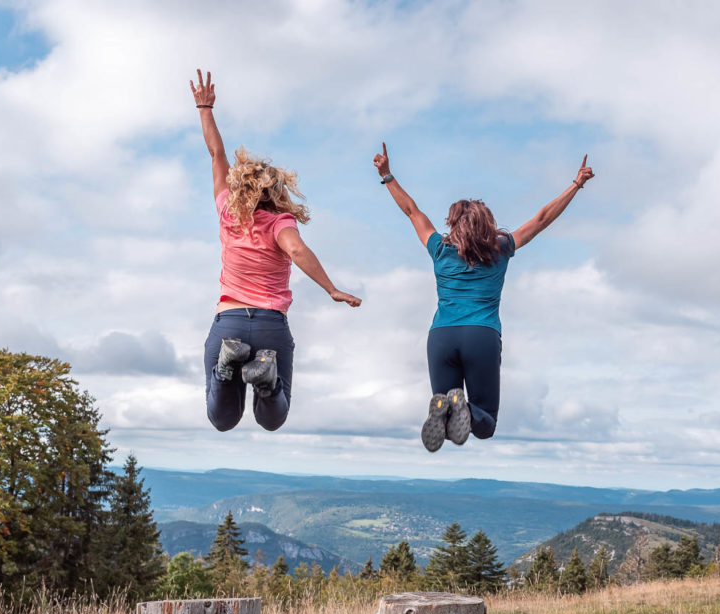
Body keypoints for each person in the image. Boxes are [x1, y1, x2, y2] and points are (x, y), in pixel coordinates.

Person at [373, 143, 594, 451]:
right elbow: (542, 219)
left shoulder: (439, 248)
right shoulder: (501, 248)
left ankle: (448, 405)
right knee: (484, 424)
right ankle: (460, 406)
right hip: (481, 335)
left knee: (449, 421)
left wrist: (387, 175)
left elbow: (412, 210)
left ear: (452, 222)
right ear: (486, 223)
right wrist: (576, 184)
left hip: (441, 337)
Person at [191, 69, 361, 432]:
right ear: (277, 192)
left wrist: (205, 108)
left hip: (229, 321)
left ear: (242, 189)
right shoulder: (280, 221)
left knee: (222, 419)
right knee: (272, 418)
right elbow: (297, 251)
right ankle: (266, 383)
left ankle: (225, 370)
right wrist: (331, 288)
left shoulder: (226, 211)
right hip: (270, 326)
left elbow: (216, 153)